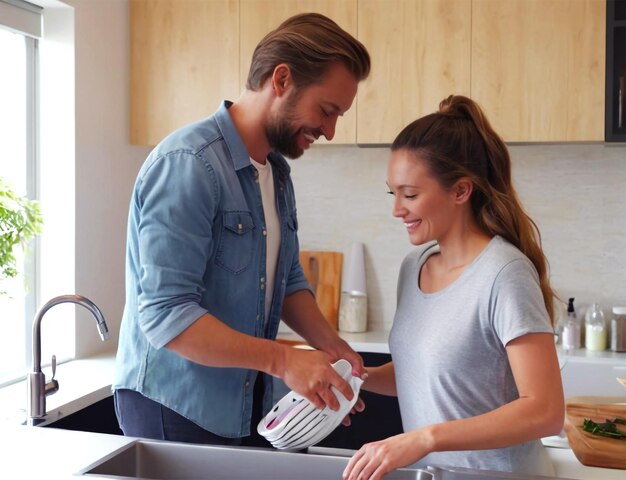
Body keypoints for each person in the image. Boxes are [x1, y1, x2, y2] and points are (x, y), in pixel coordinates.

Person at [113, 13, 371, 446]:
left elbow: (286, 281)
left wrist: (332, 348)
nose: (329, 130)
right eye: (326, 111)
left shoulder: (277, 174)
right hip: (175, 405)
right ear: (282, 80)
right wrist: (285, 361)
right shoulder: (189, 165)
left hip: (242, 402)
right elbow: (167, 315)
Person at [343, 95, 564, 480]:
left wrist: (425, 439)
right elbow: (428, 373)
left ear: (461, 191)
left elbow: (544, 410)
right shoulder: (414, 267)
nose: (397, 209)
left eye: (410, 195)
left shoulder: (505, 273)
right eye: (392, 193)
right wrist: (353, 380)